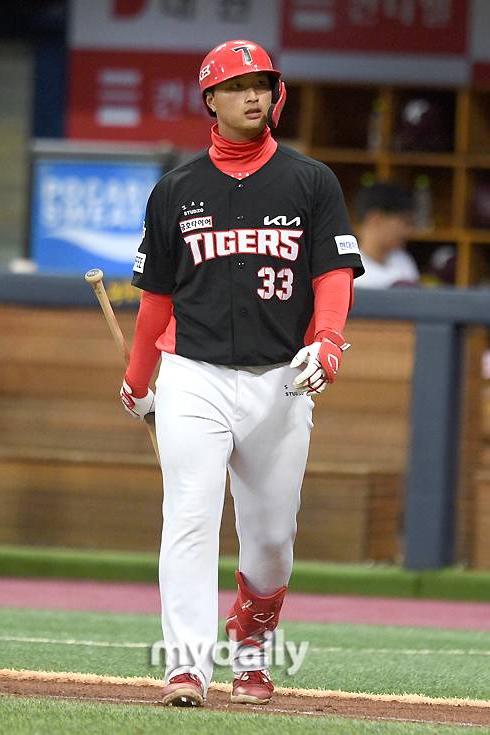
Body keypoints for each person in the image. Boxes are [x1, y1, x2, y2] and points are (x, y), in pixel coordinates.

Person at [120, 39, 364, 708]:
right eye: (236, 86)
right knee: (190, 516)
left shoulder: (311, 180)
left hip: (281, 377)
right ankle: (186, 667)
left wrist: (329, 340)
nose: (253, 95)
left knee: (272, 539)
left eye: (261, 83)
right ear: (210, 99)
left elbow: (333, 274)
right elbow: (155, 300)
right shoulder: (175, 190)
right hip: (192, 375)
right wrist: (139, 378)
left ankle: (251, 639)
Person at [354, 181, 420, 288]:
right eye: (405, 222)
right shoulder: (349, 271)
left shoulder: (403, 260)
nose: (409, 231)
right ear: (376, 219)